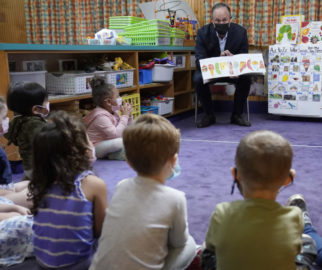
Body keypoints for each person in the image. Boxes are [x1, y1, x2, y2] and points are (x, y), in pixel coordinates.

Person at [90, 114, 197, 270]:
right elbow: (179, 241)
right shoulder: (176, 198)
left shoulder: (121, 186)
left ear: (128, 161)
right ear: (174, 161)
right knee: (190, 244)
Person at [203, 130, 306, 269]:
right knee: (307, 244)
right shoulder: (294, 216)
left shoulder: (221, 212)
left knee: (206, 252)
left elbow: (210, 247)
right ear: (289, 179)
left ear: (235, 174)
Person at [29, 111, 108, 269]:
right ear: (80, 150)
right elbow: (101, 230)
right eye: (88, 140)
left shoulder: (40, 181)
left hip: (42, 262)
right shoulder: (94, 184)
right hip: (78, 264)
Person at [194, 2, 251, 128]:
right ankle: (209, 115)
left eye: (224, 20)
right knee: (197, 79)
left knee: (246, 78)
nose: (221, 23)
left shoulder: (240, 33)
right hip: (212, 71)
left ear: (230, 20)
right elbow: (199, 60)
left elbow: (243, 57)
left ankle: (237, 115)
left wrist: (234, 63)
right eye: (217, 20)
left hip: (233, 71)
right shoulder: (202, 33)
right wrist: (216, 63)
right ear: (212, 21)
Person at [5, 82, 49, 180]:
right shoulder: (34, 125)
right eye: (45, 101)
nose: (47, 103)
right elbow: (48, 142)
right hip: (40, 168)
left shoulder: (18, 120)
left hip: (28, 167)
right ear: (36, 109)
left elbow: (8, 134)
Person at [83, 76, 132, 160]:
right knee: (121, 142)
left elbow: (126, 128)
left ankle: (114, 155)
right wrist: (125, 116)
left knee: (133, 136)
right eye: (118, 96)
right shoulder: (100, 116)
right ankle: (116, 154)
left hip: (108, 143)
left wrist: (129, 116)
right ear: (108, 102)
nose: (120, 98)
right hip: (96, 148)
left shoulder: (114, 111)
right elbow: (116, 135)